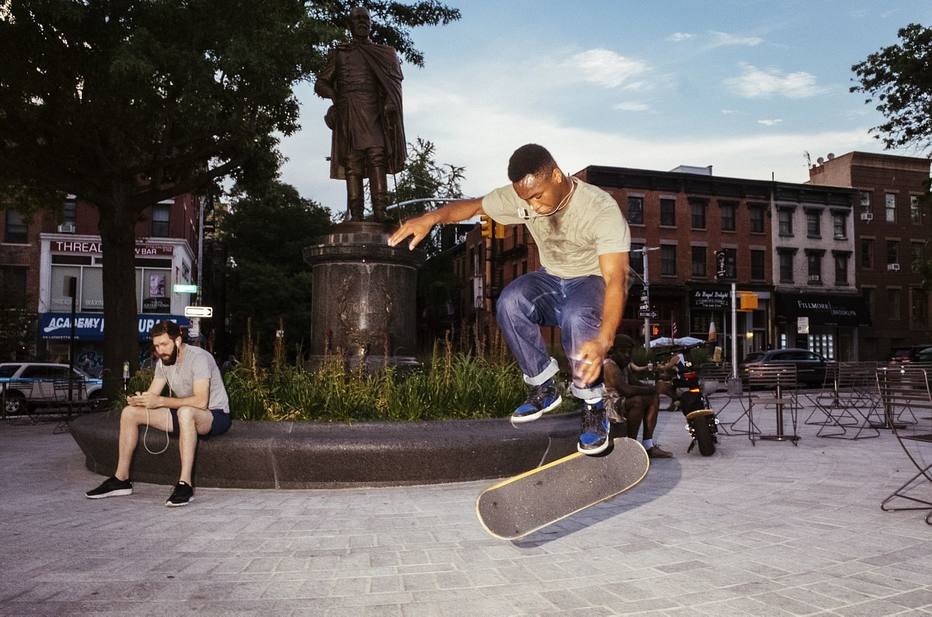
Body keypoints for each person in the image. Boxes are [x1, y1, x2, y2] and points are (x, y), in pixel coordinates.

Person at [389, 144, 629, 455]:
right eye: (526, 199)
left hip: (591, 282)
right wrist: (432, 218)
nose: (534, 206)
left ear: (556, 175)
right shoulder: (522, 197)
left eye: (538, 196)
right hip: (551, 279)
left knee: (575, 315)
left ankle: (593, 406)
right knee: (510, 301)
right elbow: (473, 207)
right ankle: (543, 385)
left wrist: (603, 340)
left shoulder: (600, 208)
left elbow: (616, 279)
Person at [85, 320, 232, 506]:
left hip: (214, 415)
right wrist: (141, 400)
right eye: (156, 346)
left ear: (177, 341)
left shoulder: (199, 357)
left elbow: (201, 401)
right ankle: (121, 479)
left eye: (164, 344)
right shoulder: (163, 362)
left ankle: (185, 483)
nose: (160, 350)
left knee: (186, 412)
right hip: (183, 414)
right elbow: (153, 394)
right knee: (130, 412)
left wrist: (161, 401)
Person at [314, 6, 406, 222]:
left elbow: (394, 84)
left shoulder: (384, 53)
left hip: (374, 110)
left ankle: (380, 210)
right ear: (350, 25)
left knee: (377, 156)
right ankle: (356, 213)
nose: (363, 22)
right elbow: (321, 83)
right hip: (348, 110)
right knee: (352, 161)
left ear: (371, 24)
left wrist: (391, 103)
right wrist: (335, 96)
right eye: (358, 19)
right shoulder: (340, 53)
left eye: (366, 19)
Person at [603, 334, 673, 458]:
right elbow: (626, 390)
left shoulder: (624, 366)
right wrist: (655, 388)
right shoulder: (609, 366)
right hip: (608, 405)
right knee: (638, 401)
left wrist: (658, 389)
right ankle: (630, 447)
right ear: (613, 351)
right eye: (623, 352)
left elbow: (636, 384)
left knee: (653, 397)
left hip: (621, 402)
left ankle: (648, 445)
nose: (627, 355)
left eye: (629, 352)